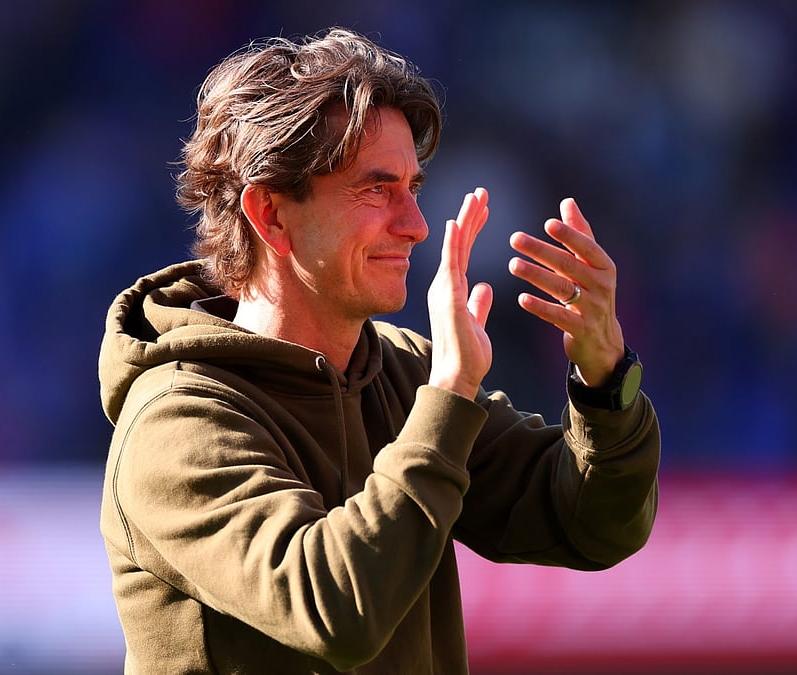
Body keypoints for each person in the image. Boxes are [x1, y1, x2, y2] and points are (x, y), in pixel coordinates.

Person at [99, 27, 660, 674]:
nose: (416, 224)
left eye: (413, 188)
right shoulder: (176, 424)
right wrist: (448, 398)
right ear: (271, 215)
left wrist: (604, 378)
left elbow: (592, 523)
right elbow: (338, 608)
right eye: (376, 189)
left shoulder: (403, 372)